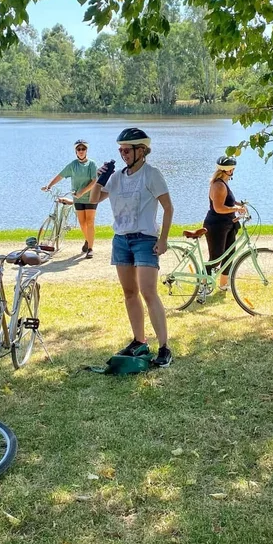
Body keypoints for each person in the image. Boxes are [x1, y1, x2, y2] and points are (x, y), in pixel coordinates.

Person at [89, 127, 175, 368]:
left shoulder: (152, 175)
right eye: (120, 150)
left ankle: (164, 347)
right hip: (121, 240)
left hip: (145, 239)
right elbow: (93, 200)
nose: (122, 154)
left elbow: (168, 208)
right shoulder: (116, 178)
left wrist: (163, 239)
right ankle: (139, 340)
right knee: (129, 293)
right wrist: (100, 179)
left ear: (142, 151)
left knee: (148, 291)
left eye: (127, 150)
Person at [42, 139, 98, 258]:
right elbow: (60, 175)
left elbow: (94, 181)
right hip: (77, 198)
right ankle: (88, 240)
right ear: (76, 151)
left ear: (86, 150)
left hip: (90, 197)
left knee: (90, 222)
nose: (81, 151)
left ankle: (90, 249)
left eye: (83, 149)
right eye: (79, 149)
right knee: (82, 223)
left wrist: (82, 192)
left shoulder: (91, 164)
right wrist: (49, 185)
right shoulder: (73, 165)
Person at [203, 156, 246, 291]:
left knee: (229, 255)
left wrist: (238, 204)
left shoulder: (224, 183)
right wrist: (236, 209)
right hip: (216, 226)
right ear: (228, 170)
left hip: (228, 224)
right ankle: (203, 286)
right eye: (233, 168)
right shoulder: (219, 185)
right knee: (216, 257)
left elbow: (227, 201)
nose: (234, 170)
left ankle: (223, 285)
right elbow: (218, 208)